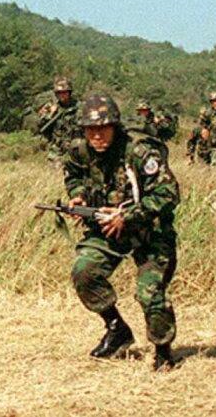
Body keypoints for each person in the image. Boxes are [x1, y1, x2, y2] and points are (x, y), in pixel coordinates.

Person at [63, 94, 179, 372]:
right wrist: (78, 197)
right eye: (91, 129)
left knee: (149, 292)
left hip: (150, 231)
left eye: (103, 128)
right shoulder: (80, 151)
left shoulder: (139, 152)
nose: (97, 135)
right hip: (108, 229)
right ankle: (117, 330)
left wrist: (126, 216)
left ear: (115, 126)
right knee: (84, 271)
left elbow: (169, 193)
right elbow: (74, 175)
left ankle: (163, 350)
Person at [35, 77, 82, 162]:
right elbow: (39, 126)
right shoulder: (50, 106)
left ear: (69, 92)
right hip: (56, 148)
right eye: (59, 93)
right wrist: (50, 114)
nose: (62, 95)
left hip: (75, 147)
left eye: (65, 92)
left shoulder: (79, 107)